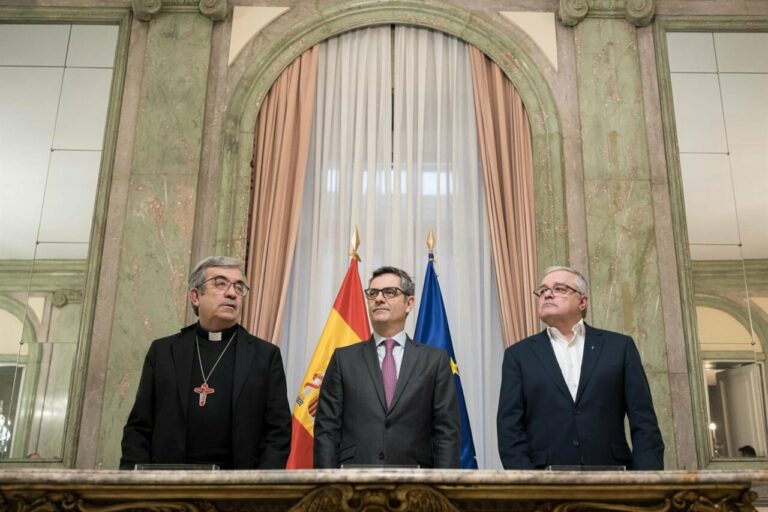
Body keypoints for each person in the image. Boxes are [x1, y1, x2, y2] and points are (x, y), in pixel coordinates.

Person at [120, 256, 291, 469]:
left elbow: (278, 431)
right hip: (169, 485)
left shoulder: (265, 356)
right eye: (221, 284)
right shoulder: (163, 352)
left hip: (238, 490)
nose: (232, 293)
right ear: (195, 296)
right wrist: (135, 485)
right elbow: (139, 427)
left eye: (239, 287)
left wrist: (260, 488)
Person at [497, 266, 664, 470]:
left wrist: (647, 483)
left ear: (583, 301)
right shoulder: (518, 355)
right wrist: (526, 484)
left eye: (559, 288)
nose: (547, 294)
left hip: (614, 479)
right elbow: (509, 428)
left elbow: (644, 422)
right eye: (542, 290)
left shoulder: (620, 347)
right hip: (543, 484)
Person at [314, 266, 460, 468]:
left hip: (417, 482)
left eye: (389, 292)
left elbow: (447, 433)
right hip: (353, 481)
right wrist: (326, 487)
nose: (379, 299)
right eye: (373, 293)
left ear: (409, 303)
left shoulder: (434, 360)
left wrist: (445, 489)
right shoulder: (343, 359)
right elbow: (327, 430)